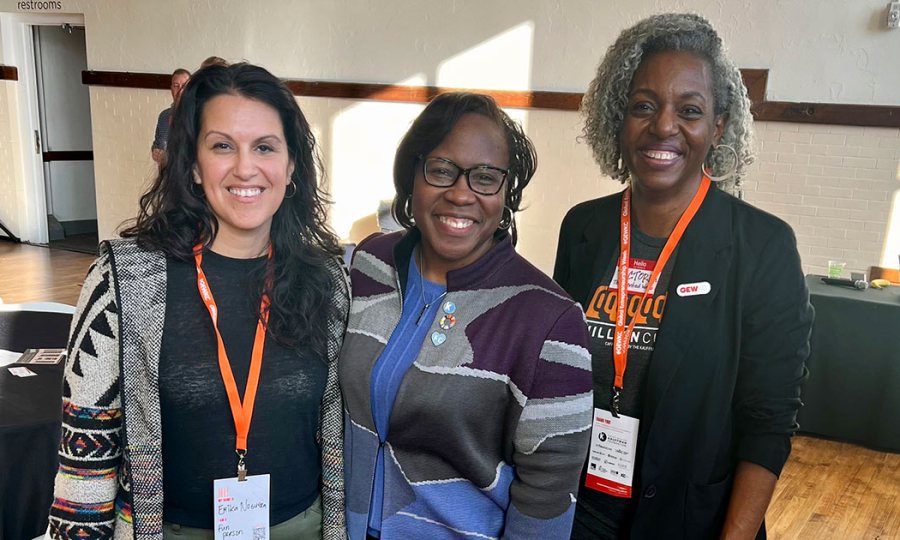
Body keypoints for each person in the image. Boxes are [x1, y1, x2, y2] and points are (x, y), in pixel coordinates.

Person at [49, 63, 348, 539]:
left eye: (265, 147)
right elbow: (85, 459)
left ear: (291, 166)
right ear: (192, 163)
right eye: (222, 146)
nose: (245, 168)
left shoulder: (327, 280)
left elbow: (334, 435)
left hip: (302, 527)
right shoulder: (122, 281)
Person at [554, 13, 814, 539]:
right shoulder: (583, 227)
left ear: (717, 126)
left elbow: (768, 420)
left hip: (692, 521)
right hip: (577, 511)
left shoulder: (762, 246)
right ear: (618, 117)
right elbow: (557, 374)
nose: (664, 126)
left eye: (689, 111)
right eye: (644, 106)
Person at [339, 92, 594, 540]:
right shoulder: (371, 263)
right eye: (441, 170)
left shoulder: (549, 322)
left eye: (484, 177)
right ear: (411, 175)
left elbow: (547, 500)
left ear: (506, 191)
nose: (461, 193)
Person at [151, 68, 191, 164]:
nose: (180, 91)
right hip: (167, 174)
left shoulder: (197, 116)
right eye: (176, 86)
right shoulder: (164, 116)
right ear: (171, 88)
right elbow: (158, 143)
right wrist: (155, 151)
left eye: (184, 86)